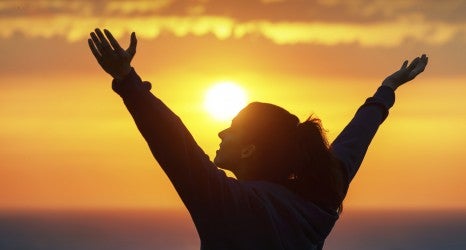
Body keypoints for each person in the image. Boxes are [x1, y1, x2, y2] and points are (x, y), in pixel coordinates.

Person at [88, 28, 428, 249]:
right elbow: (351, 145)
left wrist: (128, 81)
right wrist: (386, 91)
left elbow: (175, 146)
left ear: (251, 148)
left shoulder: (230, 204)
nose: (221, 132)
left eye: (233, 128)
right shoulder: (317, 202)